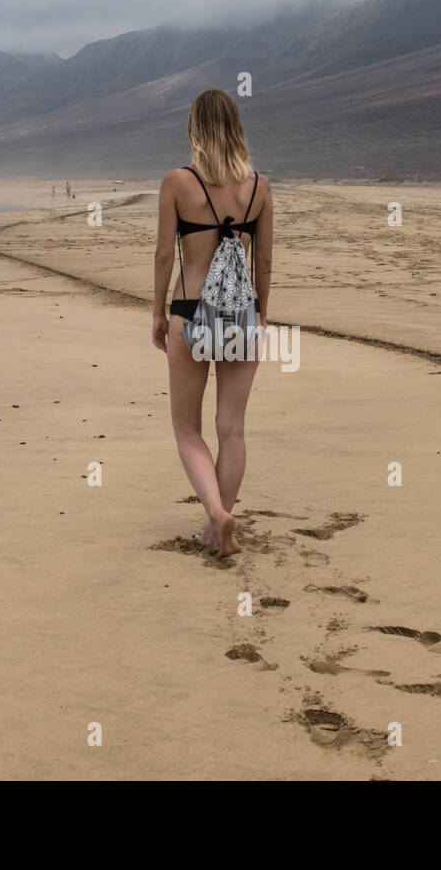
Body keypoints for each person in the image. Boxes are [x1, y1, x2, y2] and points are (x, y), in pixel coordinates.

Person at [151, 88, 272, 558]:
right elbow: (264, 261)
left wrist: (157, 313)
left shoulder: (177, 183)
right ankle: (219, 519)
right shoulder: (258, 187)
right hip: (240, 314)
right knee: (232, 428)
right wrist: (261, 314)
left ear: (194, 129)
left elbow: (165, 254)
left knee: (187, 427)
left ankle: (217, 514)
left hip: (189, 312)